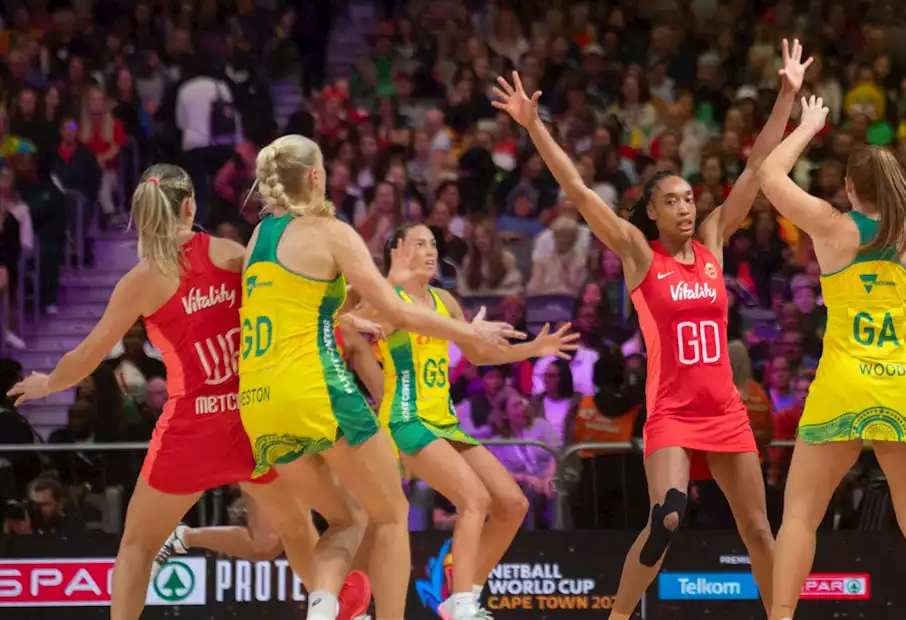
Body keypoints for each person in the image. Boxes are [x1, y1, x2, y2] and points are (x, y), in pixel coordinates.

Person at [490, 38, 812, 620]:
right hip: (671, 412)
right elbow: (581, 193)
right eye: (673, 201)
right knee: (665, 516)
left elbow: (757, 170)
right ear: (654, 212)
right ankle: (618, 617)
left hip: (725, 409)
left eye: (690, 198)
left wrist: (786, 95)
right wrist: (535, 127)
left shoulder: (713, 241)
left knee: (760, 530)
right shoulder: (640, 255)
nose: (687, 207)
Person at [5, 164, 370, 620]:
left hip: (191, 430)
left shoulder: (140, 281)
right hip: (250, 423)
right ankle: (329, 605)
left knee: (137, 548)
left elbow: (87, 356)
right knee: (297, 530)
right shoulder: (231, 253)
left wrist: (48, 383)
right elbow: (289, 309)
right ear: (190, 207)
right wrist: (345, 316)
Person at [234, 135, 523, 620]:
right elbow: (397, 312)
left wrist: (344, 318)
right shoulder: (330, 231)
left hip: (259, 401)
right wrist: (464, 329)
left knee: (346, 519)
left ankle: (324, 611)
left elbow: (297, 306)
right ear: (316, 177)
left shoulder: (254, 243)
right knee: (390, 515)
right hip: (316, 390)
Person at [757, 95, 906, 620]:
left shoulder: (832, 226)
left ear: (851, 187)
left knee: (800, 518)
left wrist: (808, 125)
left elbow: (768, 173)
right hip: (901, 383)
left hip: (842, 382)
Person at [345, 222, 577, 620]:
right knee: (473, 500)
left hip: (444, 421)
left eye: (433, 243)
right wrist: (378, 288)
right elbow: (342, 317)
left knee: (512, 504)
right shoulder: (387, 299)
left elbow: (482, 355)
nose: (431, 251)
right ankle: (461, 606)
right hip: (406, 419)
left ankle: (463, 590)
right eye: (420, 244)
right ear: (399, 252)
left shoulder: (445, 301)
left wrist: (535, 349)